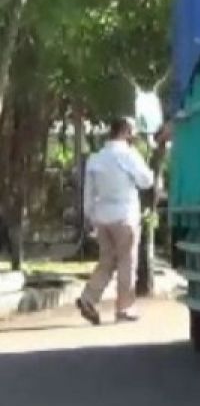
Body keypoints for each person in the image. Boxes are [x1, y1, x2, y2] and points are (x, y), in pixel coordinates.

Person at [77, 117, 156, 325]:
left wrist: (90, 217)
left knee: (106, 261)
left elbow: (89, 192)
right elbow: (147, 180)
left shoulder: (96, 158)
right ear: (126, 132)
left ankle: (88, 298)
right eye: (132, 133)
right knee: (126, 262)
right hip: (125, 216)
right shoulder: (128, 155)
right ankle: (124, 308)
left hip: (102, 217)